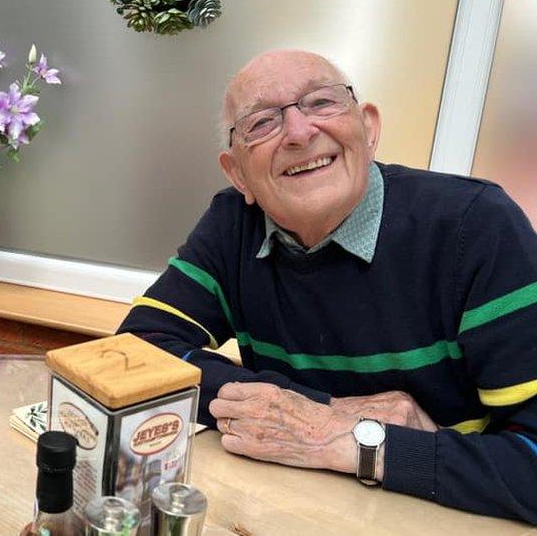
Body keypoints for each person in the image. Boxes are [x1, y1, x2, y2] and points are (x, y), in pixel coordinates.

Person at [118, 49, 537, 523]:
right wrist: (324, 416)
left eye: (321, 103)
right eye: (261, 123)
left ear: (370, 129)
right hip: (281, 511)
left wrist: (366, 446)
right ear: (238, 174)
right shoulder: (234, 225)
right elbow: (138, 351)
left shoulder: (475, 227)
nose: (299, 133)